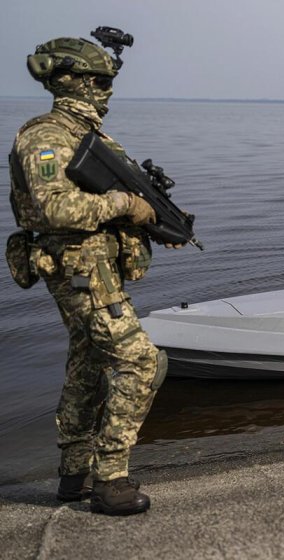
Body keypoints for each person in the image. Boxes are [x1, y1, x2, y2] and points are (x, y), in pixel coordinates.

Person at [7, 30, 174, 516]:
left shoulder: (88, 137)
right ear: (70, 81)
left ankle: (74, 475)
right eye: (99, 81)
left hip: (97, 269)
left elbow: (110, 205)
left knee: (87, 367)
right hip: (78, 271)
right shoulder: (45, 136)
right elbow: (55, 209)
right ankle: (111, 480)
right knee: (142, 362)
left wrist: (153, 221)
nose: (108, 90)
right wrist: (124, 204)